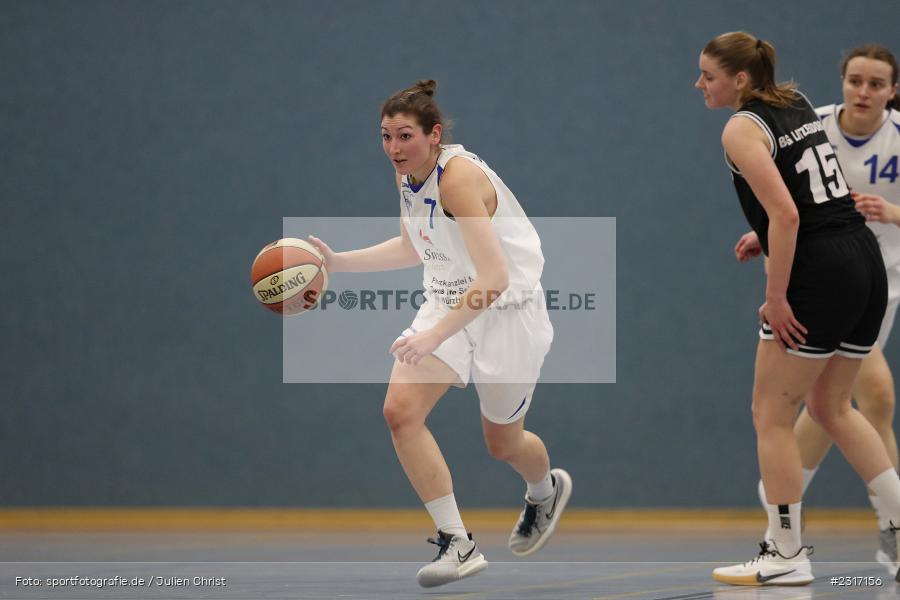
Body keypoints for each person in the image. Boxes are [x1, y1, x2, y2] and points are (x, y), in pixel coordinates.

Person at [307, 79, 572, 588]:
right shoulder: (408, 175)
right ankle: (458, 542)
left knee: (504, 443)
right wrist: (337, 264)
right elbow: (414, 247)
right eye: (385, 136)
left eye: (404, 136)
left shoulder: (457, 179)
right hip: (448, 300)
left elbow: (493, 279)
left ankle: (543, 489)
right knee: (399, 412)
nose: (393, 148)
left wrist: (431, 338)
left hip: (507, 311)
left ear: (434, 135)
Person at [695, 31, 900, 586]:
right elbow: (812, 199)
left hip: (820, 272)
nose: (700, 85)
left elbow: (786, 215)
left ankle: (785, 552)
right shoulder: (797, 102)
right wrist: (766, 235)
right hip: (863, 258)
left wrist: (777, 295)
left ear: (739, 80)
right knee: (835, 408)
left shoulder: (740, 126)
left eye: (707, 75)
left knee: (771, 413)